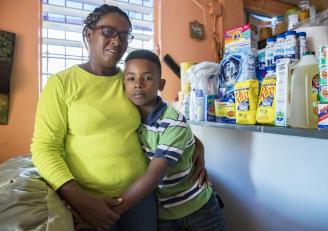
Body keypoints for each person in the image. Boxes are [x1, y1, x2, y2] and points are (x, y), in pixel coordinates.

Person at [31, 4, 206, 231]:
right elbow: (44, 147)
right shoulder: (62, 83)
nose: (117, 40)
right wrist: (78, 199)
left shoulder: (131, 82)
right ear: (89, 33)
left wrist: (197, 146)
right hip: (89, 199)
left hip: (140, 197)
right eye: (108, 31)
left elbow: (164, 119)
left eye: (124, 35)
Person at [117, 49, 226, 231]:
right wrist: (197, 143)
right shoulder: (131, 118)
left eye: (147, 78)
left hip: (198, 208)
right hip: (164, 213)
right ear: (123, 84)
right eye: (131, 78)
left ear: (161, 84)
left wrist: (113, 210)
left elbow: (153, 177)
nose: (138, 84)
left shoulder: (173, 121)